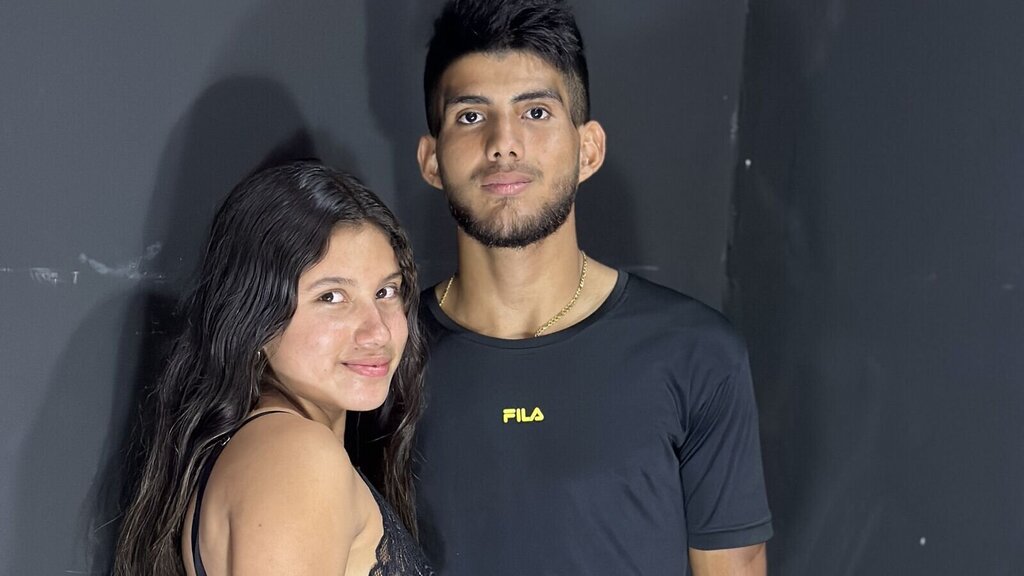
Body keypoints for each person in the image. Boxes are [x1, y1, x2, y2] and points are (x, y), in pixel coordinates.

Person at [412, 1, 773, 574]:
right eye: (471, 116)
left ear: (589, 150)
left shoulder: (696, 354)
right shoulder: (379, 358)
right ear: (432, 160)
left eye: (535, 112)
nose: (504, 142)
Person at [114, 162, 435, 575]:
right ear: (255, 318)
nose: (377, 332)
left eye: (386, 292)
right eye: (332, 297)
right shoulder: (299, 459)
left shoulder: (270, 450)